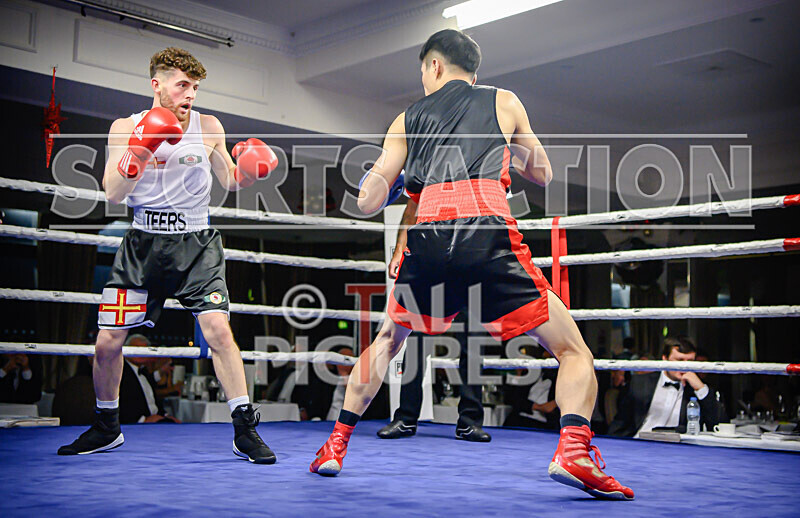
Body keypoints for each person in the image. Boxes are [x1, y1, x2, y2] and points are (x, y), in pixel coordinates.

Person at [309, 29, 633, 500]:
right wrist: (508, 147)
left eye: (422, 70)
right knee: (572, 350)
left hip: (427, 239)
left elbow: (366, 201)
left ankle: (335, 446)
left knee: (388, 340)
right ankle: (574, 450)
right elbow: (542, 173)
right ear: (474, 73)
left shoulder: (405, 119)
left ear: (434, 67)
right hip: (486, 234)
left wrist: (393, 182)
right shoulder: (503, 101)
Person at [58, 47, 278, 464]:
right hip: (142, 245)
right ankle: (107, 426)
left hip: (196, 246)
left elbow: (228, 181)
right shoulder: (125, 127)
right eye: (182, 85)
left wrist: (248, 171)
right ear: (157, 84)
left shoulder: (209, 126)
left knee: (218, 331)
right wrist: (139, 151)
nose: (189, 94)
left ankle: (244, 429)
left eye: (194, 87)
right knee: (107, 342)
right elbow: (112, 192)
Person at [379, 199, 490, 442]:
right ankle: (406, 418)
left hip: (469, 262)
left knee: (472, 341)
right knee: (417, 339)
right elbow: (412, 209)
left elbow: (497, 212)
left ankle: (470, 422)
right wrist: (400, 249)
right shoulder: (431, 166)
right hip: (431, 263)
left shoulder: (484, 166)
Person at [608, 336, 725, 437]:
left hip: (678, 451)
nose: (685, 366)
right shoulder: (639, 383)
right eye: (679, 360)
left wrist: (701, 388)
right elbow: (620, 425)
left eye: (690, 361)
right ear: (665, 358)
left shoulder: (696, 390)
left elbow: (720, 425)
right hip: (639, 444)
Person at [118, 334, 179, 424]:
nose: (140, 353)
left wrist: (165, 416)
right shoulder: (121, 372)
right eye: (137, 348)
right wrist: (143, 420)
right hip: (136, 424)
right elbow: (123, 403)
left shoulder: (143, 371)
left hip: (156, 420)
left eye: (144, 349)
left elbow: (152, 398)